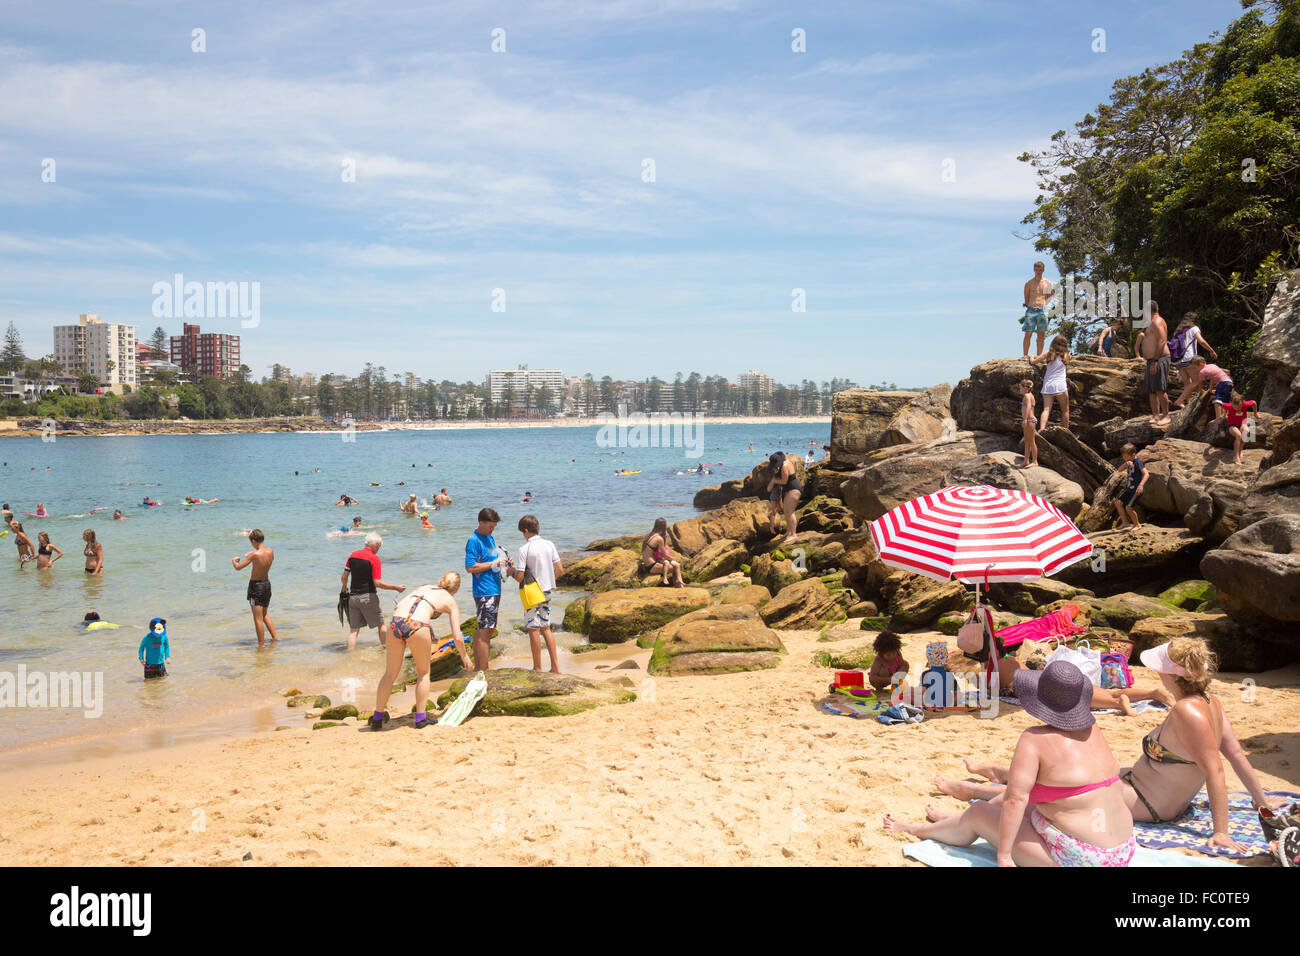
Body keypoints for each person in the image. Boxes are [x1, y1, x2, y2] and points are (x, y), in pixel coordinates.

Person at [962, 639, 1290, 853]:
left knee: (1050, 788)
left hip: (1147, 802)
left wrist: (1221, 831)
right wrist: (1261, 800)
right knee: (1070, 774)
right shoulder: (1210, 701)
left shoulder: (1186, 710)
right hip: (1142, 785)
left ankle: (971, 790)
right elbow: (1235, 754)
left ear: (1171, 673)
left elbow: (1217, 769)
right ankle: (997, 775)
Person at [884, 661, 1136, 867]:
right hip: (1122, 851)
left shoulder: (1034, 739)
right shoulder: (1093, 729)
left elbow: (1015, 800)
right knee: (1024, 800)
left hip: (1082, 859)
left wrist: (1004, 856)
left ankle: (917, 829)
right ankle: (952, 820)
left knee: (979, 812)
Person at [370, 573, 469, 731]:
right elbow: (457, 636)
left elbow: (398, 605)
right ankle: (420, 719)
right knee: (423, 673)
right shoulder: (450, 601)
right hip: (417, 626)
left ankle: (377, 719)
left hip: (396, 623)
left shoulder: (424, 587)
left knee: (389, 674)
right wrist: (465, 657)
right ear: (456, 589)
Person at [511, 514, 564, 674]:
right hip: (547, 590)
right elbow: (560, 569)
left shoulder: (524, 549)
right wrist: (549, 581)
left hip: (532, 593)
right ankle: (555, 667)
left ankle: (537, 667)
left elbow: (520, 576)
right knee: (546, 627)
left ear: (526, 531)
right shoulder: (549, 544)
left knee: (533, 629)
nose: (523, 535)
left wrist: (510, 572)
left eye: (523, 532)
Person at [342, 532, 404, 650]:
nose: (379, 549)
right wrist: (396, 587)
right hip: (367, 597)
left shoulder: (353, 555)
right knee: (381, 625)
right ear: (375, 544)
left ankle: (349, 655)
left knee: (353, 631)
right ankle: (386, 650)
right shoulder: (374, 558)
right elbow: (377, 583)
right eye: (379, 546)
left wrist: (344, 588)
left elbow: (344, 576)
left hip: (353, 598)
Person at [465, 508, 508, 670]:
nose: (492, 530)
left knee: (484, 629)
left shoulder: (489, 538)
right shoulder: (473, 540)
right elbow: (470, 567)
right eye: (490, 526)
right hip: (484, 590)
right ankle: (483, 670)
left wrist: (504, 561)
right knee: (486, 630)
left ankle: (478, 667)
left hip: (494, 588)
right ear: (481, 523)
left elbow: (494, 560)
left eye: (494, 527)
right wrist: (493, 564)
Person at [233, 529, 278, 645]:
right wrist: (252, 553)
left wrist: (234, 561)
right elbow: (261, 555)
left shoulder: (253, 555)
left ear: (253, 541)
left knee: (257, 619)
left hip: (256, 587)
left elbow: (238, 567)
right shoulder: (270, 551)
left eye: (251, 543)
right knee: (264, 615)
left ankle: (261, 646)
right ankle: (276, 638)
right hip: (266, 585)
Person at [1169, 313, 1218, 409]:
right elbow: (1201, 341)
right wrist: (1211, 350)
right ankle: (1179, 400)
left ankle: (1188, 404)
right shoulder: (1194, 328)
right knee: (1198, 380)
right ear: (1195, 320)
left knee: (1187, 383)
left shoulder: (1178, 330)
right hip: (1188, 358)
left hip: (1178, 360)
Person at [1135, 300, 1171, 426]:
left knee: (1160, 388)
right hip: (1151, 360)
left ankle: (1166, 416)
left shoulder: (1157, 321)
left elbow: (1162, 340)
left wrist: (1156, 360)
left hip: (1159, 358)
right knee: (1151, 390)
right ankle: (1156, 416)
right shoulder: (1151, 323)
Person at [1029, 334, 1070, 430]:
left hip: (1048, 384)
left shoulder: (1049, 353)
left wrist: (1031, 357)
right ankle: (1066, 430)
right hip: (1060, 385)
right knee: (1065, 410)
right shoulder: (1066, 355)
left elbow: (1034, 362)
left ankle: (1042, 429)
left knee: (1046, 409)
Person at [766, 451, 804, 543]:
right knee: (786, 512)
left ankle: (794, 534)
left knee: (790, 512)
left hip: (794, 489)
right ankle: (788, 532)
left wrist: (774, 481)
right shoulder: (785, 462)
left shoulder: (785, 466)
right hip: (789, 490)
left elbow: (784, 481)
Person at [1020, 261, 1054, 359]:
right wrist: (1032, 305)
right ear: (1034, 270)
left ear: (1043, 270)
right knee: (1028, 333)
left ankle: (1039, 356)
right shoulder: (1029, 283)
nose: (1038, 272)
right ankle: (1025, 355)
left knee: (1041, 334)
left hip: (1042, 309)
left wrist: (1043, 305)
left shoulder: (1047, 283)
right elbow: (1026, 299)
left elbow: (1049, 297)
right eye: (1036, 270)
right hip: (1031, 309)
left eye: (1040, 270)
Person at [1188, 355, 1235, 421]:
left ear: (1201, 364)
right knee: (1225, 399)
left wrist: (1201, 391)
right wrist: (1210, 389)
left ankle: (1218, 418)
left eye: (1195, 368)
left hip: (1222, 383)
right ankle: (1226, 415)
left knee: (1217, 400)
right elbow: (1213, 379)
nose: (1195, 370)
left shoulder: (1202, 371)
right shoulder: (1212, 365)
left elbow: (1200, 382)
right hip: (1229, 382)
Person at [641, 517, 684, 587]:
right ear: (664, 527)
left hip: (647, 564)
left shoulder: (648, 535)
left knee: (672, 564)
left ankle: (677, 584)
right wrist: (673, 558)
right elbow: (664, 555)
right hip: (652, 566)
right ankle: (678, 584)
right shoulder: (659, 539)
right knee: (675, 567)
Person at [1115, 443, 1147, 530]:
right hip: (1130, 489)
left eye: (1126, 457)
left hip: (1137, 490)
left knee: (1128, 507)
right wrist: (1125, 464)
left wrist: (1141, 485)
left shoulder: (1138, 462)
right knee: (1118, 503)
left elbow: (1146, 474)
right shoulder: (1128, 463)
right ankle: (1125, 523)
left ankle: (1137, 525)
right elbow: (1119, 470)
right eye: (1123, 457)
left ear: (1133, 454)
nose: (1124, 459)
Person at [1223, 392, 1257, 465]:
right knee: (1238, 435)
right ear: (1231, 404)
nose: (1238, 409)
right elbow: (1223, 405)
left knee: (1246, 432)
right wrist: (1225, 414)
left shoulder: (1245, 404)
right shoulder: (1229, 405)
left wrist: (1255, 414)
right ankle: (1236, 457)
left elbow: (1254, 402)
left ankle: (1240, 451)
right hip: (1232, 425)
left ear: (1242, 403)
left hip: (1243, 423)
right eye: (1236, 408)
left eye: (1239, 407)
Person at [1018, 378, 1038, 468]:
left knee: (1031, 441)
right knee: (1027, 441)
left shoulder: (1027, 395)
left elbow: (1029, 406)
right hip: (1029, 420)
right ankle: (1026, 461)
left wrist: (1025, 419)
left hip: (1030, 420)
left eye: (1020, 388)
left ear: (1025, 388)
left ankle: (1035, 461)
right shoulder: (1029, 395)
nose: (1020, 390)